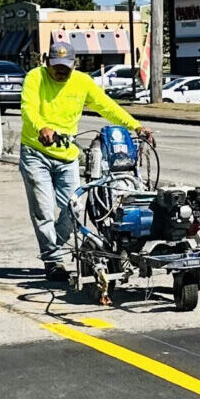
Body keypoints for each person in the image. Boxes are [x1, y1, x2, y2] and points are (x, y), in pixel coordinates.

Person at [17, 45, 141, 282]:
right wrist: (41, 127)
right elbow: (28, 108)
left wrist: (135, 125)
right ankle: (53, 261)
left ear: (75, 64)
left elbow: (107, 106)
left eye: (66, 67)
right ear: (47, 62)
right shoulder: (35, 77)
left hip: (67, 154)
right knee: (43, 210)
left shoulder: (82, 82)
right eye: (56, 67)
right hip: (36, 152)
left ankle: (55, 248)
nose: (60, 72)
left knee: (73, 208)